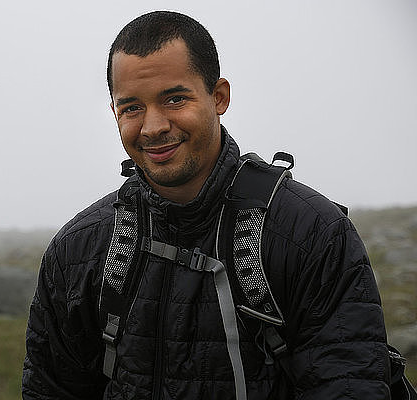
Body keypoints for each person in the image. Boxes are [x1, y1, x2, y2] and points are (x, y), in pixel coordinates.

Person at [22, 10, 391, 399]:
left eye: (175, 99)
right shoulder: (78, 250)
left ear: (219, 97)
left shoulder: (311, 233)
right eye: (131, 107)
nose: (153, 126)